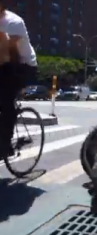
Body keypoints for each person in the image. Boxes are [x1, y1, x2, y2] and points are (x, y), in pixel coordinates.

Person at [0, 3, 38, 159]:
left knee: (6, 100)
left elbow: (11, 55)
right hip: (4, 63)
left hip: (23, 65)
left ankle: (4, 146)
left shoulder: (13, 22)